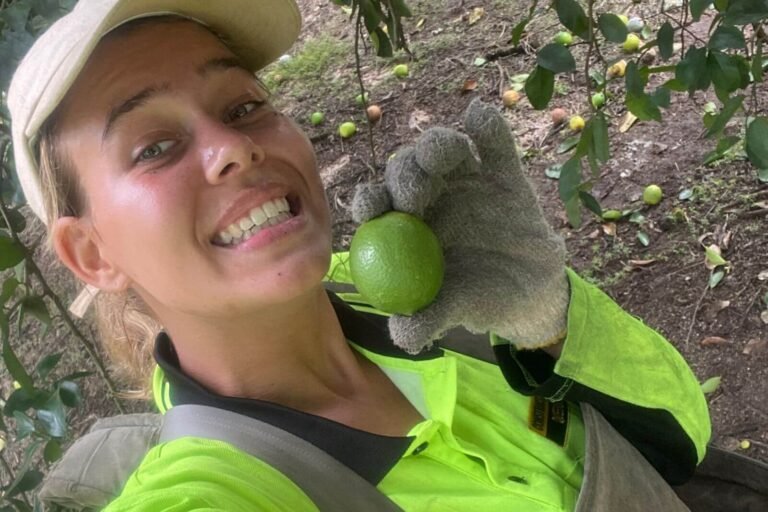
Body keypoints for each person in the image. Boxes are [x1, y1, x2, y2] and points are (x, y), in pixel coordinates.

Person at [9, 0, 712, 510]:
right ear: (92, 253)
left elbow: (685, 442)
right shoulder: (212, 492)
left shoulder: (423, 293)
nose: (234, 148)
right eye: (154, 147)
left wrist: (551, 322)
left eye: (243, 105)